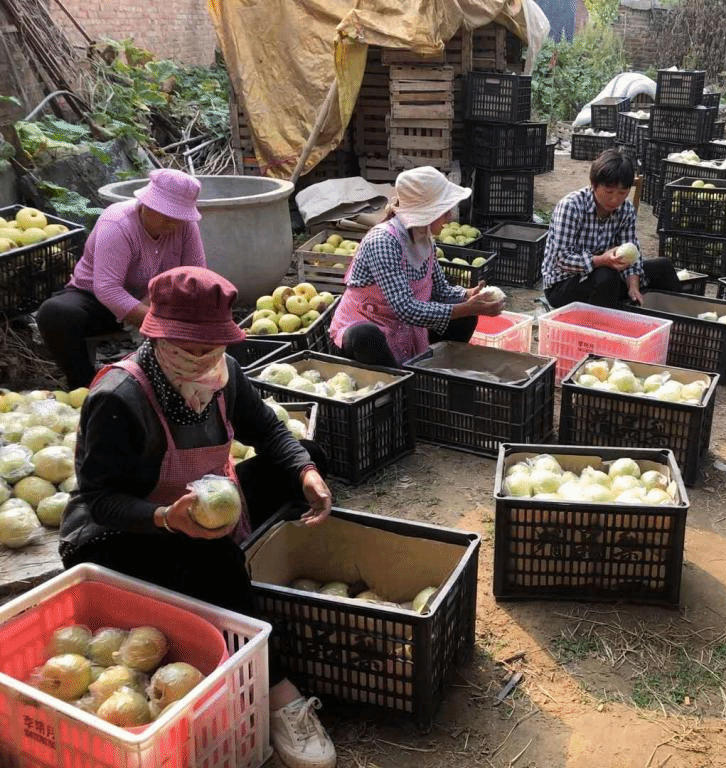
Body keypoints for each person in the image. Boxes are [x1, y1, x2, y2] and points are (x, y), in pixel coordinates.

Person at [59, 266, 337, 768]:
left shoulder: (222, 374)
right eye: (191, 348)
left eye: (213, 347)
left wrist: (306, 473)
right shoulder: (119, 397)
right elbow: (100, 500)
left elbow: (269, 431)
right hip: (119, 531)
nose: (205, 358)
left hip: (197, 506)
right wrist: (167, 517)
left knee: (303, 457)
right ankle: (278, 693)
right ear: (158, 337)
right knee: (215, 563)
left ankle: (213, 580)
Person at [37, 168, 207, 390]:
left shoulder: (185, 226)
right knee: (56, 313)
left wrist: (161, 305)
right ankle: (84, 385)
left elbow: (195, 274)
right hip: (96, 301)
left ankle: (166, 380)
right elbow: (107, 289)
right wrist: (158, 324)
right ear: (147, 204)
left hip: (155, 299)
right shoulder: (118, 223)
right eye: (166, 215)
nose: (172, 223)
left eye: (178, 217)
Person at [329, 166, 505, 366]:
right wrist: (465, 308)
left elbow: (440, 290)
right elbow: (406, 309)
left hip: (405, 330)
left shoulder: (425, 239)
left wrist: (468, 295)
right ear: (427, 212)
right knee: (365, 336)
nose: (449, 217)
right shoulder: (383, 241)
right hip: (370, 333)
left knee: (465, 317)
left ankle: (434, 372)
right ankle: (396, 382)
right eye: (444, 210)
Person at [542, 148, 684, 309]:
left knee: (663, 267)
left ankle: (680, 319)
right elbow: (561, 259)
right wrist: (601, 260)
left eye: (622, 193)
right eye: (609, 192)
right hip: (563, 284)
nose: (615, 199)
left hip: (607, 279)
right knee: (606, 275)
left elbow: (631, 254)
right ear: (594, 185)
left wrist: (633, 287)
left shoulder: (626, 210)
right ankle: (605, 323)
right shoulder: (571, 207)